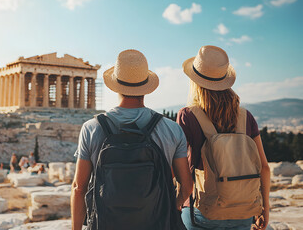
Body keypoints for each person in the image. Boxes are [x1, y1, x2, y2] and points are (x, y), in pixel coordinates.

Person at [71, 49, 192, 230]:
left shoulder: (91, 128)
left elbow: (78, 188)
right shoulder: (171, 129)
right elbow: (187, 185)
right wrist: (172, 206)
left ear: (116, 87)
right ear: (146, 87)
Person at [177, 45, 270, 230]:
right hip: (243, 210)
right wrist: (264, 208)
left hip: (201, 210)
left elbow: (183, 171)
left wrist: (176, 203)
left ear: (195, 81)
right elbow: (264, 167)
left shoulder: (188, 115)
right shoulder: (245, 117)